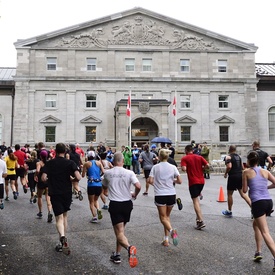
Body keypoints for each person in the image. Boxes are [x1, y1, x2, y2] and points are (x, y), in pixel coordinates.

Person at [102, 152, 141, 267]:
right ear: (123, 161)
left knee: (119, 232)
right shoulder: (129, 172)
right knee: (121, 231)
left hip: (116, 204)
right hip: (127, 204)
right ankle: (117, 255)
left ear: (113, 161)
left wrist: (106, 190)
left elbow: (104, 187)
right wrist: (135, 194)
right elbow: (138, 186)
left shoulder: (108, 173)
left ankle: (129, 248)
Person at [42, 143, 81, 255]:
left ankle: (62, 238)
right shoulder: (70, 163)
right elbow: (78, 177)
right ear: (65, 151)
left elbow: (43, 178)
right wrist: (71, 180)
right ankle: (62, 240)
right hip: (67, 192)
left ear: (55, 151)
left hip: (55, 192)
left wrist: (49, 180)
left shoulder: (50, 163)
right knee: (64, 216)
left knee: (58, 217)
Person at [242, 150, 275, 272]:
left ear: (249, 161)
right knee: (256, 224)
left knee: (265, 232)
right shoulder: (265, 171)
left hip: (258, 203)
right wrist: (266, 187)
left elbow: (244, 190)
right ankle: (258, 251)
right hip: (268, 202)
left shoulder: (246, 172)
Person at [148, 149, 182, 247]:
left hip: (160, 194)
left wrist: (156, 183)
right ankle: (166, 240)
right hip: (171, 193)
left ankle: (171, 232)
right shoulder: (173, 167)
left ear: (159, 156)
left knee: (163, 218)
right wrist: (172, 180)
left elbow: (150, 180)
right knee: (167, 217)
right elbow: (180, 181)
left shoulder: (155, 167)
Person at [181, 144, 209, 230]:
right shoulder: (199, 157)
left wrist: (187, 168)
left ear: (186, 151)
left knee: (195, 201)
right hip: (201, 181)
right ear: (192, 150)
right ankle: (198, 220)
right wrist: (202, 168)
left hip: (193, 181)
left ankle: (200, 221)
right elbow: (207, 165)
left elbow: (184, 169)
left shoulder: (185, 158)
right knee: (196, 199)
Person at [222, 145, 251, 217]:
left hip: (232, 176)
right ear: (235, 150)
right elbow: (242, 167)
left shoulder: (228, 157)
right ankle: (253, 209)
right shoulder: (239, 157)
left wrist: (226, 173)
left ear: (229, 149)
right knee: (243, 194)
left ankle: (229, 211)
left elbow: (229, 166)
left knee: (229, 194)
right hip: (239, 175)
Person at [82, 150, 105, 223]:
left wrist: (86, 174)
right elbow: (103, 172)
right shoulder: (98, 163)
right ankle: (98, 209)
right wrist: (99, 176)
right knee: (96, 200)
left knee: (91, 202)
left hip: (91, 184)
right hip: (98, 184)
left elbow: (83, 175)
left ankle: (94, 217)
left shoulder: (86, 164)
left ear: (88, 156)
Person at [35, 150, 53, 222]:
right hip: (48, 180)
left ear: (40, 156)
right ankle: (49, 212)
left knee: (39, 196)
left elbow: (37, 171)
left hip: (41, 181)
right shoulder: (50, 163)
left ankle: (40, 212)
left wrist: (35, 175)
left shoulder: (39, 163)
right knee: (48, 197)